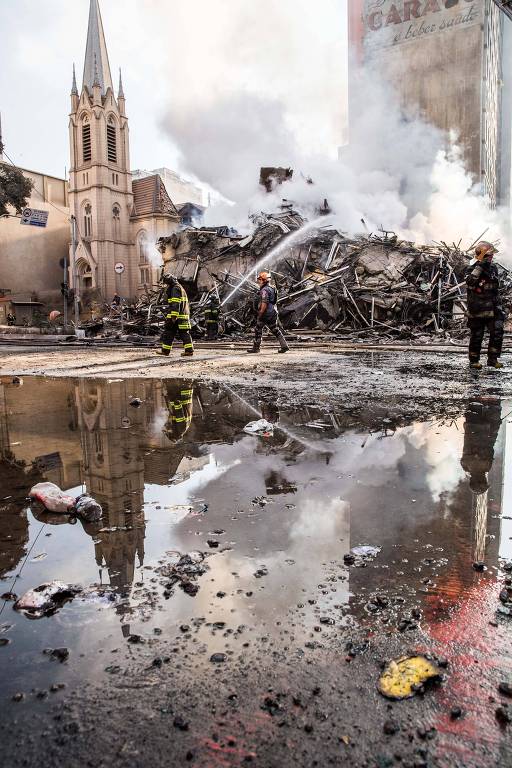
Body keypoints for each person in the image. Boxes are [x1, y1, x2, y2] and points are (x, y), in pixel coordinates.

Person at [464, 241, 505, 369]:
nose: (491, 257)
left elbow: (496, 287)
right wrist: (480, 266)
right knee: (477, 335)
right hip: (478, 307)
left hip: (493, 307)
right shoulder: (471, 268)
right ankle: (474, 361)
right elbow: (470, 282)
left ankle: (492, 359)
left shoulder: (493, 268)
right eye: (489, 255)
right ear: (483, 255)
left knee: (497, 332)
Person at [247, 271, 289, 354]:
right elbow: (274, 301)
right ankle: (284, 346)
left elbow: (264, 303)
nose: (259, 281)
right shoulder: (273, 288)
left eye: (260, 279)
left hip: (265, 313)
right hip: (273, 312)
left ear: (264, 280)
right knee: (275, 329)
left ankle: (256, 348)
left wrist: (260, 313)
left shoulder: (265, 290)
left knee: (258, 329)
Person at [156, 274, 194, 357]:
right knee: (176, 333)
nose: (166, 286)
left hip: (177, 316)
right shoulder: (179, 287)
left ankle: (167, 351)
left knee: (173, 332)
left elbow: (176, 303)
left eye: (167, 283)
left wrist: (174, 316)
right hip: (182, 315)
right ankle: (187, 351)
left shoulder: (175, 288)